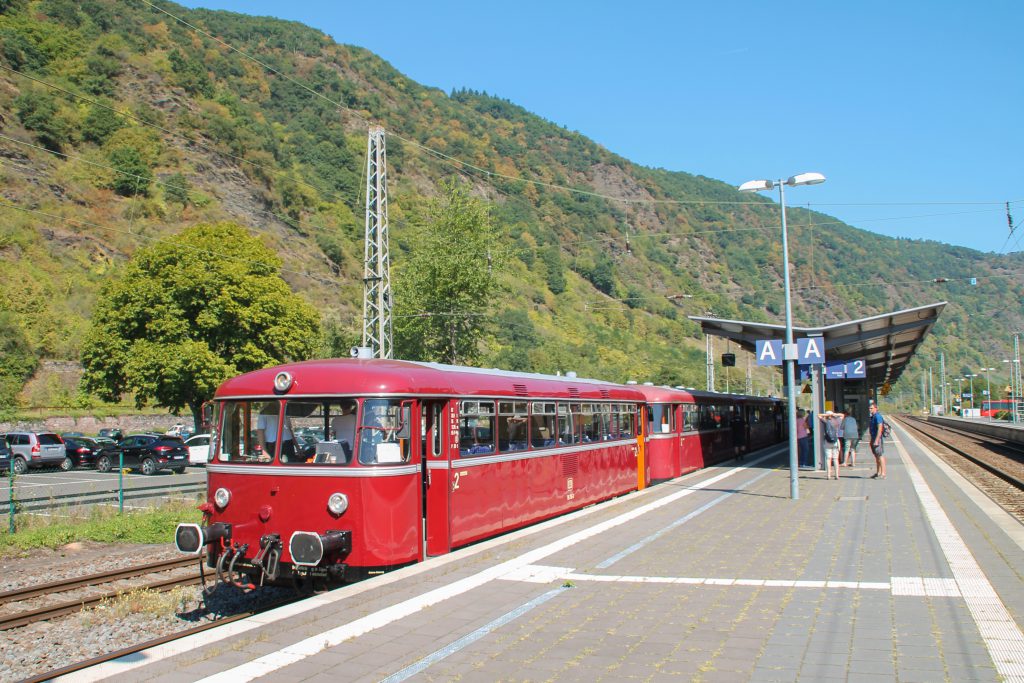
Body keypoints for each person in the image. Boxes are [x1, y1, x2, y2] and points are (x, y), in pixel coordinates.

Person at [818, 409, 845, 480]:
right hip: (835, 442)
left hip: (827, 442)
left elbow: (818, 415)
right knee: (836, 459)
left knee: (828, 459)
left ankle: (828, 475)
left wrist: (826, 415)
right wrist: (834, 414)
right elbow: (842, 415)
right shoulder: (837, 421)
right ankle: (837, 475)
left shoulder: (826, 421)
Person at [869, 402, 886, 479]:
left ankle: (883, 473)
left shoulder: (878, 417)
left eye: (871, 408)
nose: (870, 410)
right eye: (869, 408)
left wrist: (876, 440)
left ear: (876, 408)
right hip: (873, 438)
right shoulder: (873, 417)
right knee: (876, 456)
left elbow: (880, 428)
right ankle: (878, 472)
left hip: (877, 439)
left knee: (880, 455)